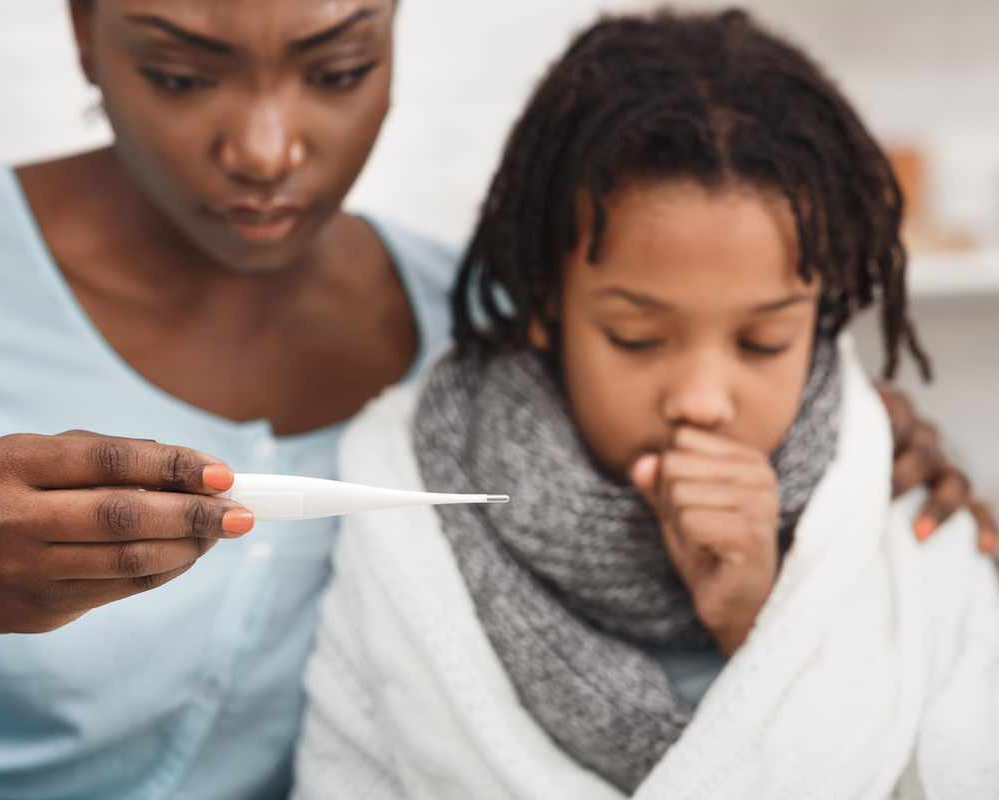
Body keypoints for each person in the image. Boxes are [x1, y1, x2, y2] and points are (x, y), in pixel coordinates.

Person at [0, 1, 989, 799]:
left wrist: (855, 456)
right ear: (79, 30)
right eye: (179, 71)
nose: (267, 146)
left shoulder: (470, 331)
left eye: (338, 69)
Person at [291, 10, 999, 799]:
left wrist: (763, 622)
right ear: (543, 303)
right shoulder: (406, 495)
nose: (702, 402)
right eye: (635, 336)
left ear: (821, 317)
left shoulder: (900, 503)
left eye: (763, 343)